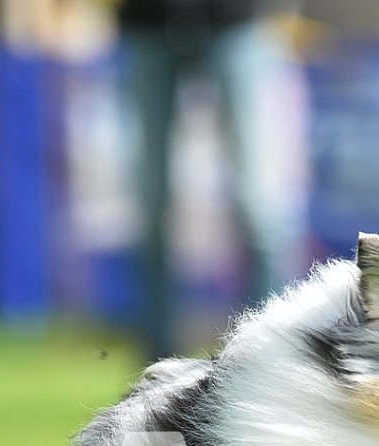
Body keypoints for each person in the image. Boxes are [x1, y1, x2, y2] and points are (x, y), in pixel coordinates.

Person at [117, 0, 306, 362]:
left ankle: (271, 349)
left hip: (234, 20)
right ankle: (156, 356)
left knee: (258, 202)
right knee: (150, 202)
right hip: (149, 22)